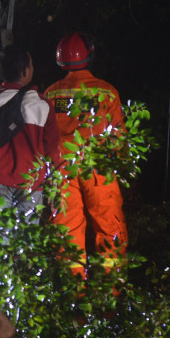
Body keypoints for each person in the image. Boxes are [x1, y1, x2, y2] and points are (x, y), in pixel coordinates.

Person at [44, 33, 128, 279]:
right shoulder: (107, 92)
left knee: (66, 232)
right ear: (90, 55)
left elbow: (45, 137)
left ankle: (74, 299)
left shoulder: (50, 94)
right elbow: (119, 138)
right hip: (98, 170)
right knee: (110, 228)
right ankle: (110, 297)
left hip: (62, 172)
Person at [0, 44, 60, 223]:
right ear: (25, 71)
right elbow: (53, 152)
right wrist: (54, 187)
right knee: (25, 244)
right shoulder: (43, 104)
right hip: (31, 185)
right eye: (31, 64)